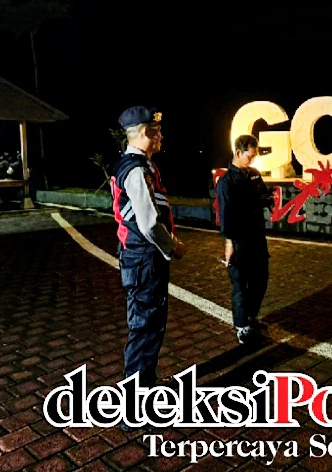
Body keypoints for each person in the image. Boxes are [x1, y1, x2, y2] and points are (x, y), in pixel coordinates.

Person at [110, 105, 187, 431]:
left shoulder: (134, 165)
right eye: (157, 132)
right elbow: (149, 223)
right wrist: (173, 247)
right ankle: (133, 409)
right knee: (145, 329)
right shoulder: (137, 170)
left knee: (149, 326)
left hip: (140, 258)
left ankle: (146, 386)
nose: (161, 136)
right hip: (145, 259)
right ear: (144, 133)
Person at [215, 134, 274, 344]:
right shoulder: (226, 182)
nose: (253, 159)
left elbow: (263, 196)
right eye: (250, 155)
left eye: (255, 156)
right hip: (239, 240)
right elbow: (225, 214)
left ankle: (251, 317)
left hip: (257, 237)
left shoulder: (254, 175)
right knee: (240, 284)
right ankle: (241, 327)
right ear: (239, 153)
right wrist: (229, 243)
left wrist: (271, 199)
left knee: (261, 279)